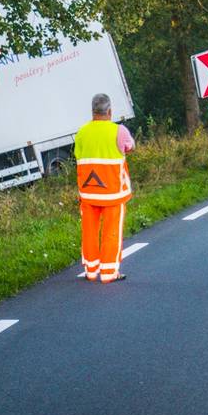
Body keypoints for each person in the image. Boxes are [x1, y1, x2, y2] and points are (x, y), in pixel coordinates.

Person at [74, 93, 134, 283]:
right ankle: (109, 272)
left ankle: (91, 271)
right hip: (113, 193)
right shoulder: (119, 130)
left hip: (88, 192)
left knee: (89, 232)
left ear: (92, 111)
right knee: (111, 232)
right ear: (109, 111)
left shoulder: (81, 132)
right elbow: (129, 147)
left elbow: (78, 155)